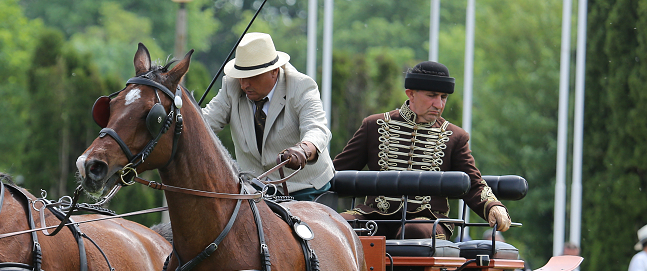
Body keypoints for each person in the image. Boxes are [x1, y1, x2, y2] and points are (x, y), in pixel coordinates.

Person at [332, 61, 511, 240]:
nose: (439, 104)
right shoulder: (373, 126)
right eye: (432, 95)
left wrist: (493, 206)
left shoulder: (455, 136)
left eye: (443, 97)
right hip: (375, 216)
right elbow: (336, 172)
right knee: (339, 225)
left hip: (430, 220)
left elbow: (472, 182)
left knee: (414, 231)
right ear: (411, 94)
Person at [201, 32, 334, 202]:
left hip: (304, 187)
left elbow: (317, 129)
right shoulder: (231, 86)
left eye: (252, 76)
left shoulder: (301, 86)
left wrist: (303, 150)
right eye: (241, 76)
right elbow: (204, 123)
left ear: (274, 71)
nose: (244, 84)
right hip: (254, 189)